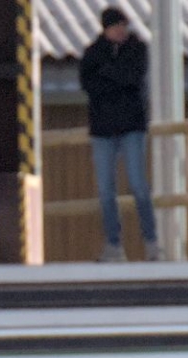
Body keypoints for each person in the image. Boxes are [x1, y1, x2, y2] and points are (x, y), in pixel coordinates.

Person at [79, 7, 159, 263]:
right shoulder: (92, 53)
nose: (121, 30)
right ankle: (113, 245)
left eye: (123, 25)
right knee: (105, 190)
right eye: (116, 26)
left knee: (138, 185)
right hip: (102, 130)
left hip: (132, 127)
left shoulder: (137, 49)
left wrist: (106, 73)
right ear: (106, 28)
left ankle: (152, 243)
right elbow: (88, 85)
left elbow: (132, 77)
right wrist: (116, 76)